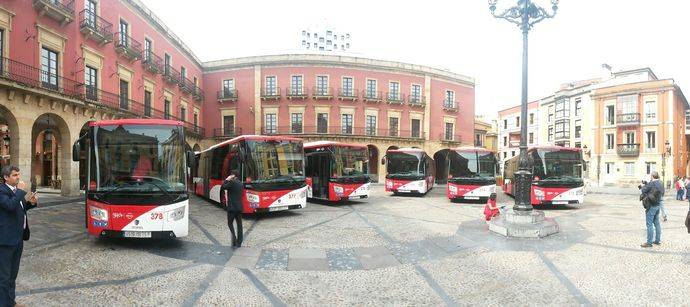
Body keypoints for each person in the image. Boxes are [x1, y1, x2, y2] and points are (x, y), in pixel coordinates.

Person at [0, 165, 38, 307]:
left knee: (12, 275)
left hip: (17, 239)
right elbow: (9, 205)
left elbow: (18, 208)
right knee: (4, 276)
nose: (18, 177)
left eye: (18, 174)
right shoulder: (2, 191)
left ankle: (11, 302)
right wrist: (21, 191)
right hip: (5, 240)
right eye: (15, 175)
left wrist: (31, 204)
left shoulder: (16, 192)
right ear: (6, 177)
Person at [221, 170, 244, 247]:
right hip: (239, 207)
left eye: (231, 175)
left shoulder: (232, 182)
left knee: (230, 223)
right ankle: (239, 242)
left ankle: (234, 239)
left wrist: (227, 179)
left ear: (233, 176)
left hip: (232, 208)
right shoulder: (241, 183)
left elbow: (223, 187)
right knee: (239, 225)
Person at [640, 171, 662, 248]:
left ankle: (649, 242)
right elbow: (662, 192)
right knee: (657, 223)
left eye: (650, 176)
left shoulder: (652, 183)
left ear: (652, 176)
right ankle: (657, 240)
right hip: (658, 205)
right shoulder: (660, 183)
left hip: (651, 206)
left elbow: (643, 190)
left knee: (649, 224)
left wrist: (642, 185)